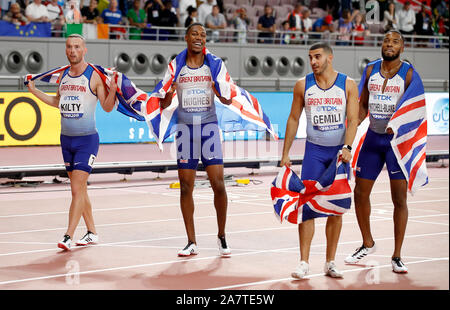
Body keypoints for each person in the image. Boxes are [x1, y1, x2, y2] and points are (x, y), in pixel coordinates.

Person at [26, 34, 118, 251]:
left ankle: (68, 235)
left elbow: (106, 106)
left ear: (84, 50)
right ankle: (92, 232)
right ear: (66, 50)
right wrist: (34, 91)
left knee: (77, 189)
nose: (72, 50)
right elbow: (58, 102)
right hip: (66, 140)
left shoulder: (93, 76)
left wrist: (113, 88)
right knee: (79, 190)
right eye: (69, 47)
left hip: (87, 141)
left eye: (77, 47)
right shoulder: (64, 76)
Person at [280, 42, 359, 279]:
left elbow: (353, 120)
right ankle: (303, 262)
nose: (313, 61)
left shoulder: (348, 84)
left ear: (330, 58)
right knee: (306, 206)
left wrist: (347, 147)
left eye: (317, 57)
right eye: (310, 57)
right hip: (314, 152)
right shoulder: (303, 85)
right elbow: (293, 118)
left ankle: (330, 261)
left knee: (336, 209)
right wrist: (285, 153)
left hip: (337, 154)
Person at [344, 30, 416, 273]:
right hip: (373, 140)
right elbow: (362, 105)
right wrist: (349, 136)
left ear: (402, 48)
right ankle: (367, 242)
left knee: (399, 199)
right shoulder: (370, 70)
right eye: (386, 40)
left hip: (396, 144)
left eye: (395, 41)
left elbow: (415, 111)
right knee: (360, 193)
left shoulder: (408, 73)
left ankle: (397, 256)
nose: (389, 44)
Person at [159, 23, 232, 257]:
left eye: (203, 34)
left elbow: (229, 100)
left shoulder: (215, 64)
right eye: (195, 34)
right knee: (185, 188)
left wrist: (218, 88)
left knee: (218, 184)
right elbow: (162, 103)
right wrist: (168, 94)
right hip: (186, 131)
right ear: (186, 38)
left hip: (208, 129)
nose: (199, 37)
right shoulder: (175, 66)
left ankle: (221, 236)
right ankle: (191, 241)